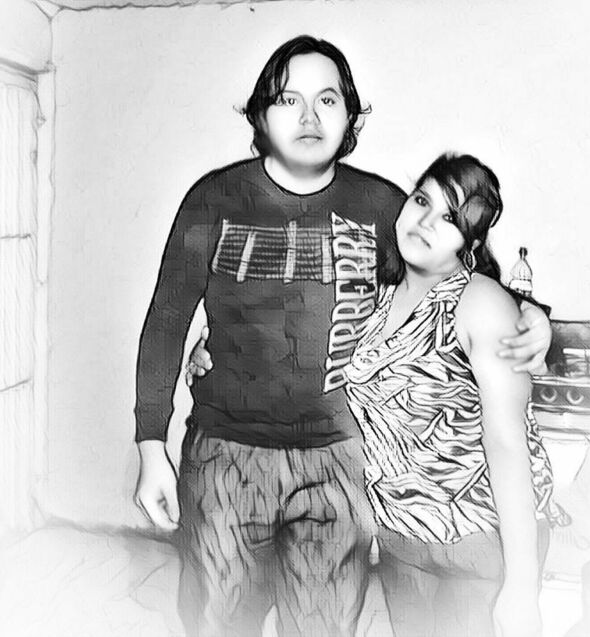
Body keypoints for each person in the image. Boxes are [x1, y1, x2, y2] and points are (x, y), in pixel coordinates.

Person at [135, 35, 551, 637]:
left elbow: (460, 274)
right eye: (289, 99)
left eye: (327, 100)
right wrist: (151, 444)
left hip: (340, 465)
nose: (309, 117)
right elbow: (166, 321)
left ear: (350, 115)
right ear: (262, 114)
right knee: (217, 623)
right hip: (225, 455)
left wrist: (531, 316)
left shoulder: (385, 207)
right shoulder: (212, 200)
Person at [344, 154, 559, 637]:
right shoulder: (378, 299)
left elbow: (508, 445)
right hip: (403, 539)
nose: (425, 222)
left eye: (449, 218)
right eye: (422, 201)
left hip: (480, 540)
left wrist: (522, 587)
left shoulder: (480, 301)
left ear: (471, 243)